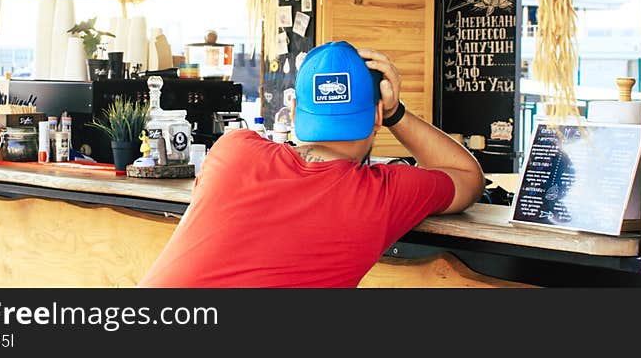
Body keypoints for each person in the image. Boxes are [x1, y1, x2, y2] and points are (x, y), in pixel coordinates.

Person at [137, 41, 485, 288]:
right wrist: (397, 113)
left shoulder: (232, 150)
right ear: (376, 114)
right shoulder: (382, 195)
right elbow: (468, 176)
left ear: (294, 111)